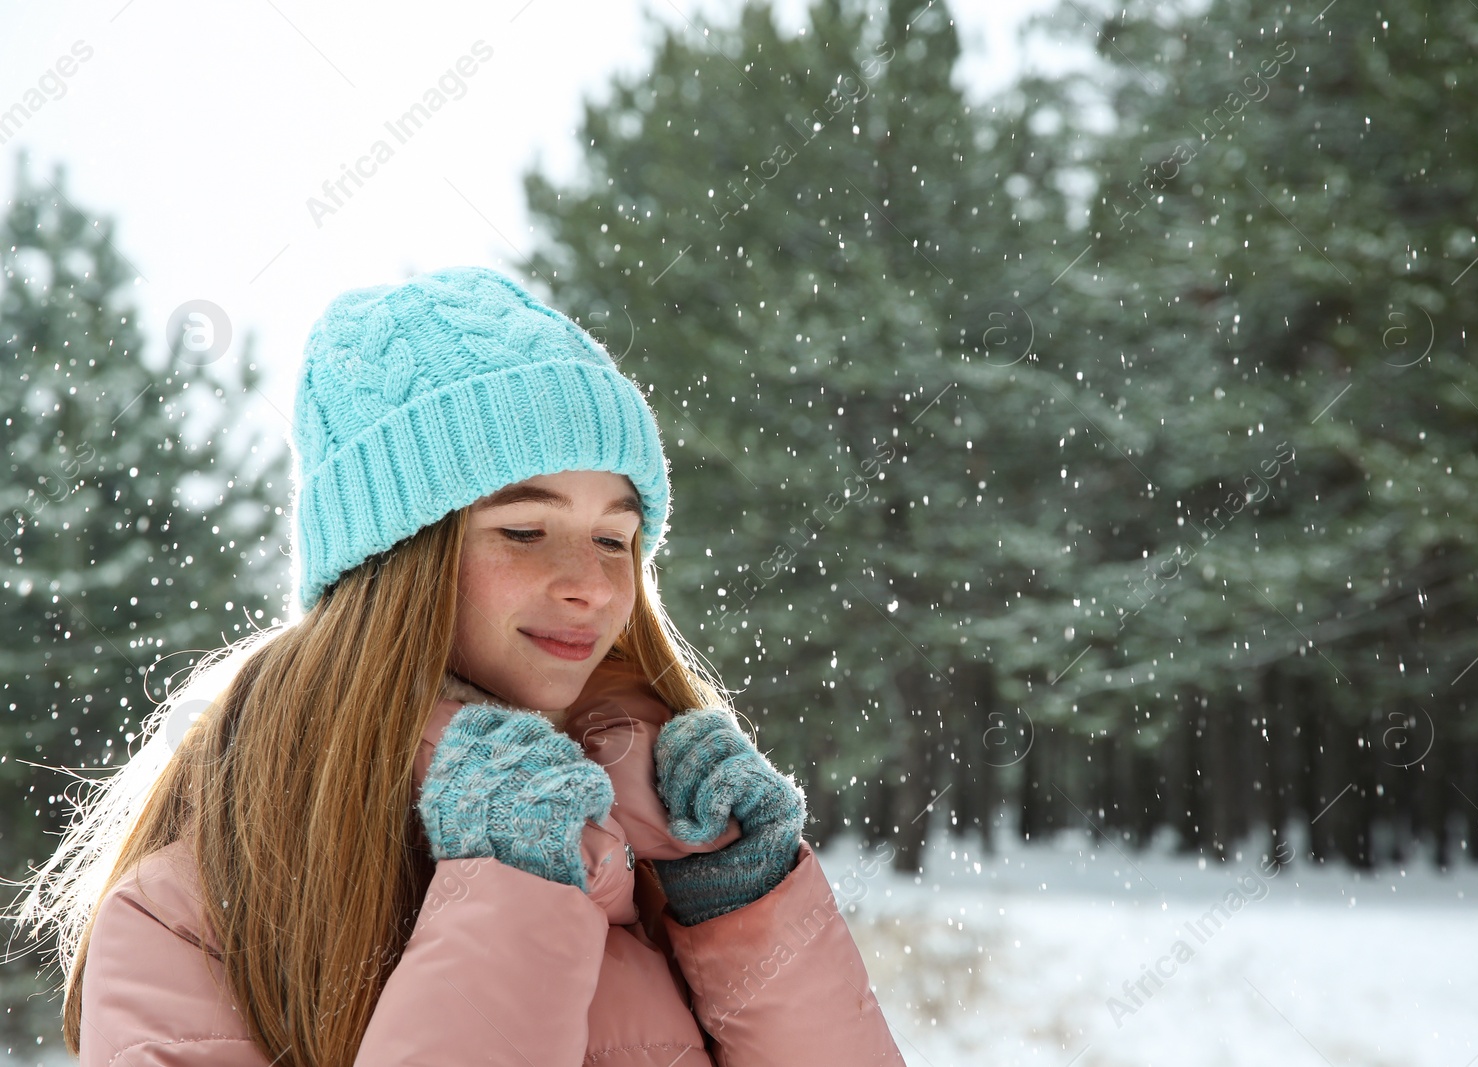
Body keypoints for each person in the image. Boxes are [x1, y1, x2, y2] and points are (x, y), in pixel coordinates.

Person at [6, 266, 905, 1066]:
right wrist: (512, 895)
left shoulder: (663, 845)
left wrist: (747, 909)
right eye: (523, 530)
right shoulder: (197, 913)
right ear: (392, 563)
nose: (591, 585)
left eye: (614, 538)